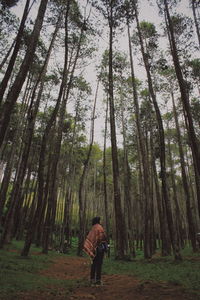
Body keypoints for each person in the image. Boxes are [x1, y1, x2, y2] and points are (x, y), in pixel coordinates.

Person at [83, 216, 107, 286]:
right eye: (100, 220)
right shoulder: (99, 227)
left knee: (94, 264)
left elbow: (90, 238)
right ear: (98, 221)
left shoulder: (93, 228)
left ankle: (92, 279)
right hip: (99, 249)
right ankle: (98, 280)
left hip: (93, 249)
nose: (101, 221)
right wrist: (105, 248)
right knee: (99, 264)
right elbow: (103, 238)